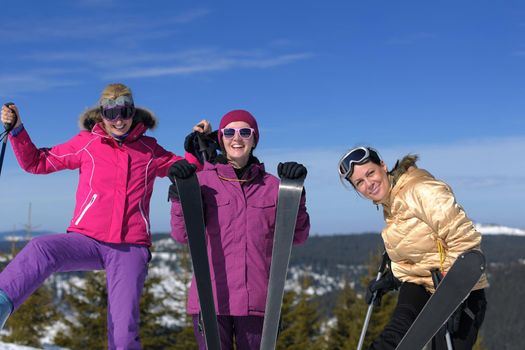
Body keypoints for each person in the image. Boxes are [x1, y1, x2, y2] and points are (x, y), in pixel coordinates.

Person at [0, 83, 200, 349]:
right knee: (41, 248)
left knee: (122, 331)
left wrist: (196, 149)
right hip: (87, 239)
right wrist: (17, 129)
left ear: (133, 112)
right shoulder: (87, 144)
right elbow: (36, 162)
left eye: (125, 112)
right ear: (102, 114)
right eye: (111, 113)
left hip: (130, 248)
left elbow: (184, 169)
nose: (119, 120)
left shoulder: (149, 149)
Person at [170, 109, 310, 350]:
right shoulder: (203, 182)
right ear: (221, 138)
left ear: (254, 139)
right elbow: (183, 236)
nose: (237, 138)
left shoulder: (272, 186)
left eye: (245, 132)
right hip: (211, 299)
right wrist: (180, 196)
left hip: (257, 301)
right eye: (230, 132)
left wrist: (295, 194)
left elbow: (297, 236)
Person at [337, 146, 488, 350]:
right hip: (418, 284)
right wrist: (392, 278)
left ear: (383, 166)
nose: (368, 184)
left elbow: (463, 240)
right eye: (359, 183)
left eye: (370, 173)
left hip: (457, 290)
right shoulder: (390, 203)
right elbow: (418, 249)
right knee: (393, 339)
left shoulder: (421, 190)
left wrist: (454, 294)